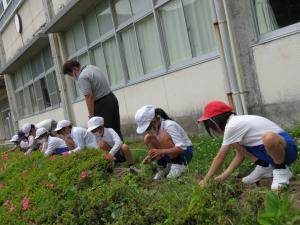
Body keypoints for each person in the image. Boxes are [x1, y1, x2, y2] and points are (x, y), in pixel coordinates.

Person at [198, 101, 298, 190]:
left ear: (215, 122)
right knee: (237, 144)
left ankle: (281, 169)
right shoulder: (234, 126)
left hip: (287, 150)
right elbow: (240, 155)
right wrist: (224, 176)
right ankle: (265, 166)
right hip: (270, 153)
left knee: (269, 137)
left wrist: (207, 179)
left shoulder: (232, 125)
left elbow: (220, 157)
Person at [62, 60, 123, 140]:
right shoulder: (92, 68)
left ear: (74, 69)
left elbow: (89, 97)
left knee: (105, 133)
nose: (72, 77)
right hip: (111, 98)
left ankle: (112, 152)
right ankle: (123, 149)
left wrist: (91, 116)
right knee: (115, 129)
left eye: (70, 74)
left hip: (102, 104)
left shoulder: (82, 77)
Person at [135, 105, 193, 179]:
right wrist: (151, 156)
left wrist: (161, 151)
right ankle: (163, 166)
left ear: (154, 121)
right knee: (147, 138)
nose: (148, 131)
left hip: (185, 153)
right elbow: (160, 148)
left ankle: (179, 165)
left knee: (163, 136)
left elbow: (181, 147)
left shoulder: (169, 125)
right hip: (170, 154)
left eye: (148, 128)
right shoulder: (155, 129)